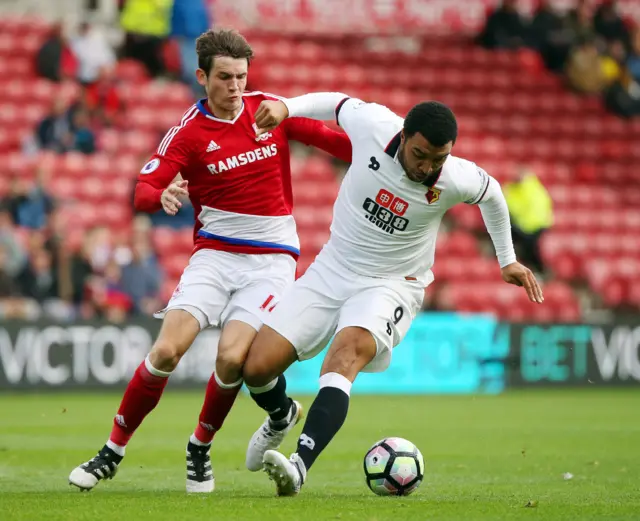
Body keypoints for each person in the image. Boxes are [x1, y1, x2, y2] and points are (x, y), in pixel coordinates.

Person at [68, 29, 352, 493]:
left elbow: (334, 142)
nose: (236, 85)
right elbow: (140, 191)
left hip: (271, 260)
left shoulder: (270, 111)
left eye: (241, 75)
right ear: (202, 77)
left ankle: (199, 448)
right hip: (214, 257)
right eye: (225, 76)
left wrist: (386, 153)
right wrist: (161, 196)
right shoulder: (189, 132)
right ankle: (111, 451)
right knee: (165, 351)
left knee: (230, 358)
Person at [239, 93, 544, 496]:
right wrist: (286, 107)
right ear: (403, 136)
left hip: (392, 283)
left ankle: (298, 467)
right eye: (420, 154)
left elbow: (491, 193)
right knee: (256, 368)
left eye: (438, 159)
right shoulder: (373, 125)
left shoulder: (454, 176)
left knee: (345, 354)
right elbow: (334, 103)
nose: (427, 167)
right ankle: (281, 415)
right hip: (331, 269)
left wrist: (507, 259)